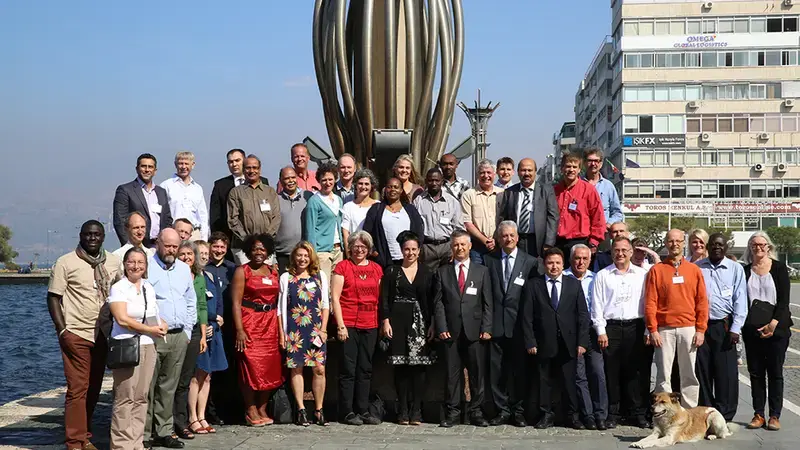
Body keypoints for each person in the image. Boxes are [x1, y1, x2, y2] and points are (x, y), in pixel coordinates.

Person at [47, 220, 122, 450]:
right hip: (76, 333)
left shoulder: (113, 262)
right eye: (88, 234)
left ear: (103, 237)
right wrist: (62, 330)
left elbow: (122, 292)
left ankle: (85, 435)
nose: (92, 238)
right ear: (80, 236)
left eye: (97, 234)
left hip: (103, 333)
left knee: (94, 387)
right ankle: (74, 441)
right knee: (77, 388)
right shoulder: (66, 262)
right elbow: (53, 297)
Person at [522, 247, 590, 430]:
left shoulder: (573, 284)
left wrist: (582, 342)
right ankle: (546, 415)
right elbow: (526, 316)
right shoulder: (533, 285)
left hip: (569, 342)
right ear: (544, 265)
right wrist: (530, 341)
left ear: (563, 264)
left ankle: (572, 416)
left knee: (569, 382)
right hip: (543, 342)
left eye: (558, 263)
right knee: (543, 381)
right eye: (550, 263)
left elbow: (583, 315)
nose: (554, 266)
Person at [108, 247, 167, 450]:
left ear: (146, 266)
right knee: (125, 397)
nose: (136, 266)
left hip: (148, 345)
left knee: (141, 397)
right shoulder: (119, 288)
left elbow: (154, 314)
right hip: (126, 345)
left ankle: (136, 442)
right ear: (125, 264)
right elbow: (122, 319)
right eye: (132, 262)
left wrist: (163, 324)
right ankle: (121, 445)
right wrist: (150, 329)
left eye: (140, 262)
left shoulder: (148, 287)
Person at [433, 230, 493, 428]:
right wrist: (441, 326)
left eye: (463, 245)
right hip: (451, 331)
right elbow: (438, 303)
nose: (459, 248)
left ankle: (476, 412)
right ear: (452, 247)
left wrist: (487, 327)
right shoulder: (442, 272)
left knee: (477, 374)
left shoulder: (481, 271)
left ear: (470, 247)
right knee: (452, 375)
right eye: (456, 245)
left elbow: (487, 303)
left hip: (475, 331)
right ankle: (453, 412)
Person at [145, 228, 197, 449]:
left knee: (169, 386)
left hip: (178, 335)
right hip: (153, 335)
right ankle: (145, 432)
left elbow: (190, 300)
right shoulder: (148, 266)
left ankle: (164, 431)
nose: (172, 250)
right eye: (167, 246)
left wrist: (187, 331)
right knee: (148, 385)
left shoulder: (184, 269)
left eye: (175, 246)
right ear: (158, 243)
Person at [591, 236, 650, 429]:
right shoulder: (603, 275)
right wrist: (601, 331)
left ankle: (638, 413)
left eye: (624, 250)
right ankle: (613, 413)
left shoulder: (642, 275)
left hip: (636, 326)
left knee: (637, 372)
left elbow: (649, 304)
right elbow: (597, 305)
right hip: (612, 328)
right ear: (611, 253)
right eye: (616, 250)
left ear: (631, 252)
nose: (620, 254)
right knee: (612, 372)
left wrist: (648, 329)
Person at [645, 229, 708, 409]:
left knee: (689, 374)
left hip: (688, 328)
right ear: (666, 243)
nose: (675, 244)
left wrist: (701, 329)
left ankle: (690, 411)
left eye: (678, 241)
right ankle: (664, 412)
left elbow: (702, 301)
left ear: (683, 243)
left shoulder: (694, 270)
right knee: (663, 375)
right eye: (671, 241)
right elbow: (650, 302)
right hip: (664, 329)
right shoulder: (657, 270)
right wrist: (652, 329)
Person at [484, 221, 537, 427]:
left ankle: (519, 411)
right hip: (496, 325)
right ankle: (502, 410)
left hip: (519, 326)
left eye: (511, 235)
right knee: (497, 372)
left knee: (519, 371)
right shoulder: (489, 260)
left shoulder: (530, 262)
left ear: (518, 237)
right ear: (498, 238)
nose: (508, 239)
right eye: (504, 236)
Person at [380, 231, 436, 425]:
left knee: (419, 367)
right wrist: (386, 320)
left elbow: (432, 300)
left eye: (413, 249)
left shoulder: (427, 272)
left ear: (419, 251)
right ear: (401, 250)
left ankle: (417, 410)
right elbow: (384, 299)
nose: (410, 253)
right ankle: (402, 410)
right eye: (407, 249)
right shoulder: (392, 271)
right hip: (397, 320)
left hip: (420, 323)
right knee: (401, 366)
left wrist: (432, 324)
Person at [331, 230, 384, 425]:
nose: (359, 250)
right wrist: (340, 325)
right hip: (349, 323)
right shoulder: (342, 267)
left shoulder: (377, 269)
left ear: (369, 249)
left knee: (365, 369)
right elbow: (335, 297)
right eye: (356, 246)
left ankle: (363, 410)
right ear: (350, 248)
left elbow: (380, 299)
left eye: (363, 246)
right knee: (348, 369)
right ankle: (346, 411)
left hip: (370, 323)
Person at [741, 231, 794, 431]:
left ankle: (774, 415)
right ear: (750, 248)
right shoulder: (745, 271)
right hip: (752, 330)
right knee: (755, 373)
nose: (758, 248)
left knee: (775, 372)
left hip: (777, 329)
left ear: (768, 247)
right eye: (754, 245)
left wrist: (773, 324)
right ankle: (758, 414)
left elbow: (784, 300)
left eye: (762, 244)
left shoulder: (779, 268)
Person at [230, 233, 284, 426]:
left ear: (268, 251)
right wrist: (239, 329)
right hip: (250, 322)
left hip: (270, 323)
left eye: (262, 249)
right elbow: (236, 303)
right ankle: (250, 408)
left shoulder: (273, 271)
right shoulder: (242, 271)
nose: (258, 252)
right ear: (248, 251)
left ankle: (262, 407)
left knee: (270, 366)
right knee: (250, 366)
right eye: (254, 249)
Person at [277, 241, 330, 427]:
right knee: (296, 368)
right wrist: (282, 334)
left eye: (306, 256)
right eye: (299, 255)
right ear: (294, 257)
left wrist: (323, 329)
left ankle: (319, 409)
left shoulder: (320, 276)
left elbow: (325, 305)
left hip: (315, 329)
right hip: (295, 330)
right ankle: (300, 409)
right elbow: (281, 308)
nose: (302, 259)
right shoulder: (286, 277)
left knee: (319, 369)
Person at [696, 233, 746, 422]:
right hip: (701, 326)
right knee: (703, 371)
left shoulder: (735, 269)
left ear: (726, 247)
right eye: (713, 244)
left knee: (726, 372)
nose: (716, 247)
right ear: (707, 247)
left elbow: (740, 298)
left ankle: (725, 414)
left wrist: (736, 328)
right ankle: (707, 411)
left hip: (724, 326)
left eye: (720, 245)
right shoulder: (697, 267)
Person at [564, 244, 607, 430]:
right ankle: (587, 415)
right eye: (577, 258)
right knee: (579, 375)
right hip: (572, 332)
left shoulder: (597, 278)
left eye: (584, 259)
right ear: (571, 259)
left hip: (593, 330)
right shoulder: (563, 277)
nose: (580, 262)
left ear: (590, 260)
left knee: (597, 372)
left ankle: (601, 414)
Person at [191, 241, 228, 434]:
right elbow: (197, 305)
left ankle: (202, 415)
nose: (205, 256)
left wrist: (218, 320)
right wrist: (212, 318)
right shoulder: (193, 277)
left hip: (214, 330)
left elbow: (218, 301)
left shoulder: (211, 276)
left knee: (207, 377)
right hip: (200, 330)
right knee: (196, 376)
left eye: (206, 253)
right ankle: (192, 417)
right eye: (201, 253)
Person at [174, 242, 209, 439]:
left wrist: (203, 335)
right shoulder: (173, 276)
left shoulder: (199, 278)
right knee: (173, 377)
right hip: (177, 330)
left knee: (186, 378)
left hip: (195, 330)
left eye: (189, 254)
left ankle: (181, 422)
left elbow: (202, 306)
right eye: (182, 254)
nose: (186, 257)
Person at [204, 233, 239, 425]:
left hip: (229, 324)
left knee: (227, 369)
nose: (218, 250)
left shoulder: (232, 269)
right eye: (215, 246)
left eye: (222, 247)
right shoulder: (204, 268)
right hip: (211, 324)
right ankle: (209, 411)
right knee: (209, 369)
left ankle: (225, 409)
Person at [497, 157, 558, 264]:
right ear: (518, 172)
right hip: (516, 240)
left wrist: (549, 243)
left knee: (536, 270)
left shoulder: (546, 190)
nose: (526, 173)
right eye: (523, 170)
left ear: (535, 172)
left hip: (538, 241)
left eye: (530, 170)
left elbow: (553, 217)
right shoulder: (510, 192)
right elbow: (503, 218)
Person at [227, 155, 281, 265]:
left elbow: (276, 217)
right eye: (248, 168)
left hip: (265, 247)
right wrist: (249, 241)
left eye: (255, 167)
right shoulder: (235, 192)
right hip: (243, 248)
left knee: (264, 275)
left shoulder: (270, 192)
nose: (252, 171)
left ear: (259, 169)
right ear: (243, 169)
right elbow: (233, 220)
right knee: (245, 275)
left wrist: (265, 240)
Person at [209, 149, 270, 246]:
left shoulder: (262, 181)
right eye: (231, 162)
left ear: (244, 161)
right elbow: (215, 216)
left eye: (237, 160)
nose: (234, 164)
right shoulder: (220, 185)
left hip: (258, 238)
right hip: (230, 240)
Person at [362, 177, 424, 269]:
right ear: (385, 189)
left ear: (401, 190)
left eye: (396, 187)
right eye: (389, 187)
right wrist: (375, 253)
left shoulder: (410, 209)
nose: (392, 189)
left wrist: (416, 251)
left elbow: (419, 232)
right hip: (384, 262)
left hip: (407, 259)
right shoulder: (376, 209)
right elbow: (366, 233)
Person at [113, 153, 172, 247]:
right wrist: (129, 246)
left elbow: (167, 219)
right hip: (137, 246)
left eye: (150, 167)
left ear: (155, 171)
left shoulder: (161, 192)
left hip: (158, 246)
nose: (147, 170)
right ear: (137, 169)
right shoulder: (125, 190)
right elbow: (120, 221)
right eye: (143, 166)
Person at [553, 153, 606, 258]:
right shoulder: (554, 190)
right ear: (562, 169)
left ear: (579, 170)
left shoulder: (589, 190)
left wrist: (594, 242)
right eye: (568, 166)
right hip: (558, 242)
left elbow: (598, 217)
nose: (571, 170)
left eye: (574, 167)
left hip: (580, 242)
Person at [413, 168, 463, 272]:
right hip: (427, 248)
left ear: (442, 181)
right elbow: (414, 227)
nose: (434, 183)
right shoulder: (418, 201)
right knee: (427, 279)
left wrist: (455, 249)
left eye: (437, 180)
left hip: (447, 247)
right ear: (426, 181)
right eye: (431, 180)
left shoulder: (452, 202)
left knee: (447, 278)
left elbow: (459, 229)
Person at [305, 163, 344, 279]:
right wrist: (313, 253)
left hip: (338, 249)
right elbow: (310, 230)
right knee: (323, 283)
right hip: (322, 251)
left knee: (336, 284)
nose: (328, 183)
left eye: (330, 179)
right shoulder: (314, 201)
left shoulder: (338, 200)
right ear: (319, 181)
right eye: (324, 180)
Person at [461, 159, 504, 265]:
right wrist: (485, 241)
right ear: (477, 175)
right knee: (477, 274)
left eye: (489, 172)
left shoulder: (502, 194)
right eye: (482, 173)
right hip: (477, 247)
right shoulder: (468, 195)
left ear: (494, 174)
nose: (486, 176)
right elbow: (467, 223)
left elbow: (505, 219)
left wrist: (495, 240)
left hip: (499, 245)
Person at [160, 151, 209, 241]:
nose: (183, 167)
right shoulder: (166, 186)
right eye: (180, 163)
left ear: (193, 165)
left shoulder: (197, 188)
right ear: (175, 164)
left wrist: (204, 238)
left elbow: (203, 216)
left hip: (194, 234)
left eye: (186, 164)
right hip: (173, 232)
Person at [275, 166, 311, 273]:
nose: (291, 181)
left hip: (304, 254)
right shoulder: (275, 200)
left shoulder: (308, 197)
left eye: (293, 177)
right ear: (281, 181)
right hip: (282, 254)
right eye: (287, 178)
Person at [341, 169, 379, 257]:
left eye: (366, 184)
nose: (363, 187)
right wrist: (349, 255)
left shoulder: (378, 205)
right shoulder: (348, 206)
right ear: (356, 185)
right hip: (356, 252)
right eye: (360, 183)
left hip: (373, 254)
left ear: (372, 186)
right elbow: (346, 234)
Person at [582, 148, 623, 228]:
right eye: (590, 161)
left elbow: (617, 213)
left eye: (596, 161)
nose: (593, 164)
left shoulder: (608, 186)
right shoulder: (577, 185)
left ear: (601, 164)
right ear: (584, 163)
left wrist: (608, 224)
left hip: (602, 232)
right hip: (581, 233)